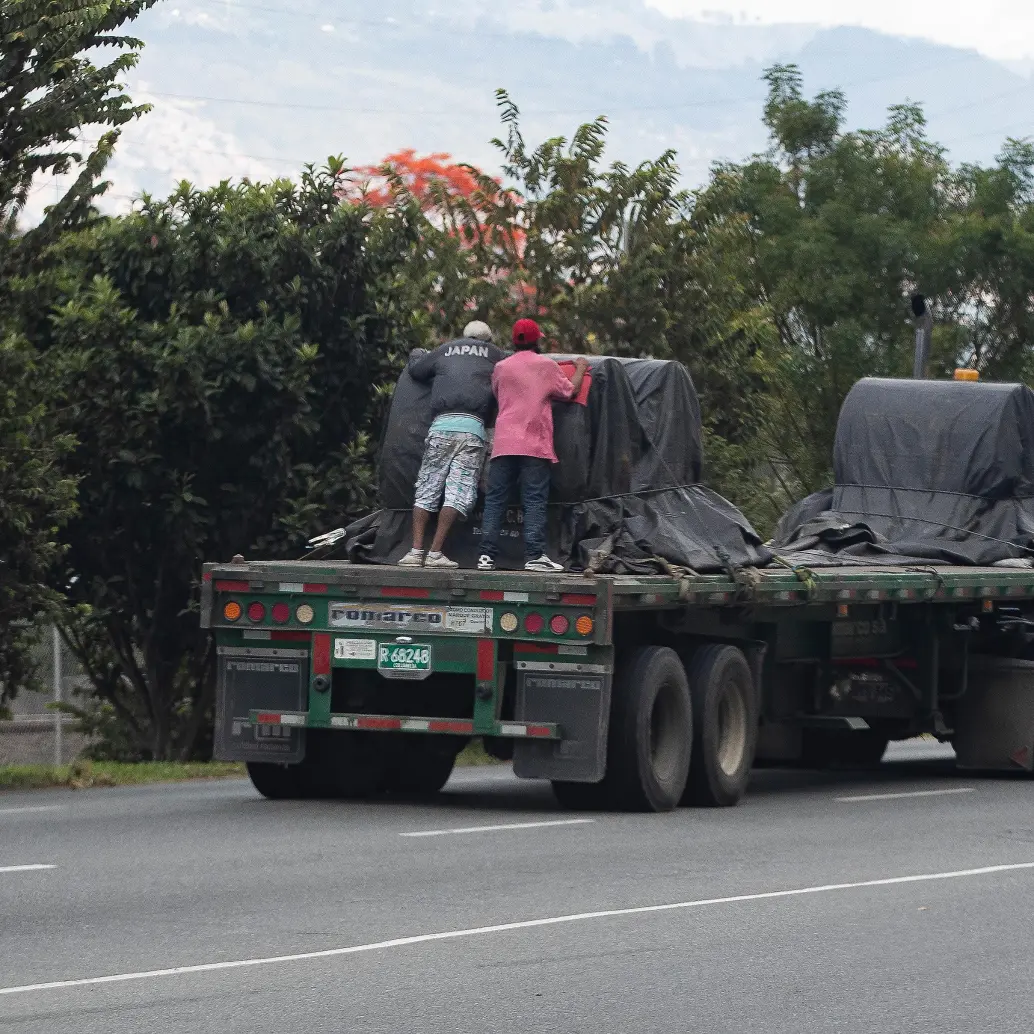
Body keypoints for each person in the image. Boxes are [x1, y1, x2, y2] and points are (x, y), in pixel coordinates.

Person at [478, 318, 589, 572]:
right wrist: (581, 367)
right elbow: (570, 392)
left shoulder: (501, 368)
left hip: (504, 443)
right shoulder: (546, 366)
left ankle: (486, 556)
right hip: (533, 443)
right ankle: (534, 556)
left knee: (495, 499)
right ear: (537, 340)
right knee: (534, 500)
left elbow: (498, 395)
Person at [397, 321, 506, 568]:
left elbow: (416, 369)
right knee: (457, 492)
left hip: (440, 428)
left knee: (427, 488)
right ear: (487, 340)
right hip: (472, 431)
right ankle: (436, 552)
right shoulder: (496, 355)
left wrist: (416, 353)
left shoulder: (445, 350)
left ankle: (415, 552)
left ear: (463, 336)